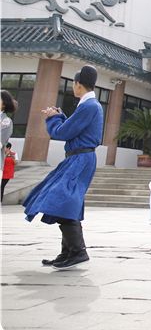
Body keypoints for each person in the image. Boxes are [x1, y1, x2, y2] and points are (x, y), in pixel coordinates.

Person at [23, 65, 103, 270]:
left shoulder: (89, 106)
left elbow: (62, 133)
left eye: (74, 84)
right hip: (80, 158)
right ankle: (69, 251)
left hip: (80, 160)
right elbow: (74, 130)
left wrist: (53, 118)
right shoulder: (90, 105)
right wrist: (60, 117)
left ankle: (77, 251)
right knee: (67, 201)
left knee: (64, 199)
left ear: (78, 84)